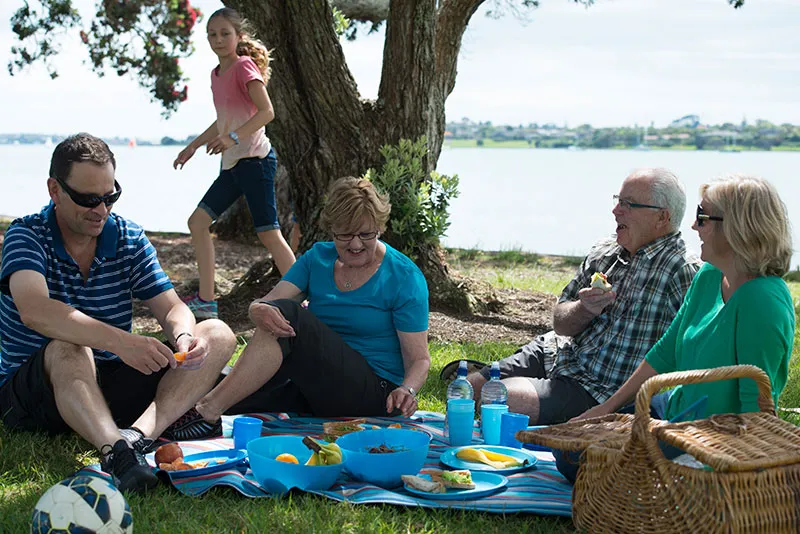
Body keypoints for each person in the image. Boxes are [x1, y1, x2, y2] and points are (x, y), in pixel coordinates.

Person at [0, 134, 237, 493]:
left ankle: (137, 436)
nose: (101, 210)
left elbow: (172, 307)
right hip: (36, 394)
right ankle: (117, 454)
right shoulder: (26, 235)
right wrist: (122, 342)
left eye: (110, 196)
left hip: (103, 384)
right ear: (55, 190)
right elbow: (36, 311)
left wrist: (184, 336)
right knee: (69, 345)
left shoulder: (126, 236)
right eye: (87, 199)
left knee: (217, 333)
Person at [170, 176, 431, 437]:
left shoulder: (403, 276)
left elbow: (419, 359)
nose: (355, 244)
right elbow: (268, 303)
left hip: (376, 393)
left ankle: (206, 413)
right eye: (345, 234)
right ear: (332, 230)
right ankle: (167, 418)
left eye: (366, 234)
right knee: (223, 384)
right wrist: (257, 309)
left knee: (290, 314)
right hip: (317, 385)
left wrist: (407, 390)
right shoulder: (318, 258)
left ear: (380, 228)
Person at [443, 168, 702, 425]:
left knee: (499, 400)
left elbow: (689, 358)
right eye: (617, 201)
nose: (616, 211)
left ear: (662, 217)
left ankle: (527, 392)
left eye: (628, 204)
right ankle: (504, 377)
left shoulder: (682, 270)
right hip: (556, 352)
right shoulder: (606, 251)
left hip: (597, 388)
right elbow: (560, 323)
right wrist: (584, 308)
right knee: (466, 390)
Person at [575, 174, 794, 423]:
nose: (693, 226)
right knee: (570, 453)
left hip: (711, 437)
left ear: (738, 228)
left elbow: (755, 408)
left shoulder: (761, 300)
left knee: (582, 457)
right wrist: (606, 408)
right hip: (675, 411)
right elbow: (665, 353)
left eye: (703, 216)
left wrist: (706, 459)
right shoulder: (710, 275)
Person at [173, 7, 295, 320]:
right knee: (197, 223)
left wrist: (234, 138)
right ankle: (206, 300)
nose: (218, 39)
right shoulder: (216, 75)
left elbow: (267, 112)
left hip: (256, 162)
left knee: (269, 234)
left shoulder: (244, 67)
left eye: (225, 33)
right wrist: (191, 147)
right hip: (232, 166)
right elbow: (222, 121)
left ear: (238, 36)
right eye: (212, 34)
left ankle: (304, 300)